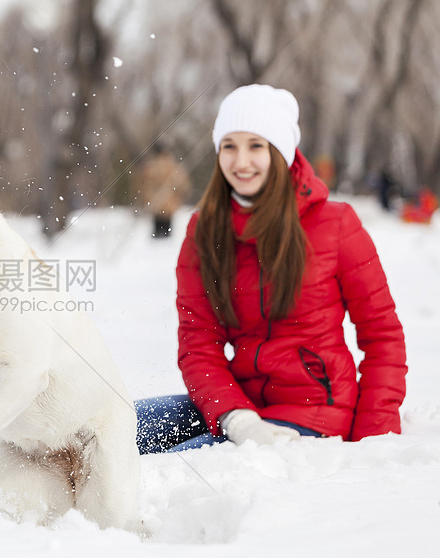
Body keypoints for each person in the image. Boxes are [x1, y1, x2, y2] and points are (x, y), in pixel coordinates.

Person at [135, 84, 407, 453]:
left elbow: (382, 336)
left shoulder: (336, 224)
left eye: (256, 146)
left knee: (164, 472)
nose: (241, 161)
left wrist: (374, 443)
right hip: (239, 404)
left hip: (314, 415)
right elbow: (199, 345)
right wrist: (237, 417)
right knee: (110, 431)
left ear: (280, 151)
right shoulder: (205, 230)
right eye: (229, 146)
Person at [133, 144, 193, 238]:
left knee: (157, 238)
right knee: (166, 238)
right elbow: (184, 185)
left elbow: (142, 184)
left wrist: (144, 198)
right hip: (169, 206)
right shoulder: (174, 166)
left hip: (156, 206)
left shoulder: (150, 166)